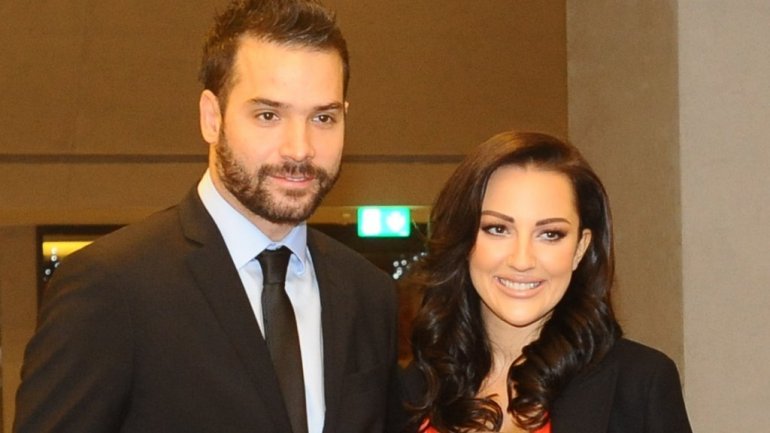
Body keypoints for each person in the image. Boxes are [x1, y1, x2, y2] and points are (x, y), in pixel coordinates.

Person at [14, 1, 403, 432]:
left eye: (323, 118)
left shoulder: (369, 294)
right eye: (268, 115)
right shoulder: (112, 287)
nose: (300, 148)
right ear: (211, 117)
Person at [401, 131, 692, 433]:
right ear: (464, 240)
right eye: (498, 229)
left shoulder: (639, 383)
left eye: (550, 234)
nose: (522, 259)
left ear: (580, 248)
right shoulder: (415, 386)